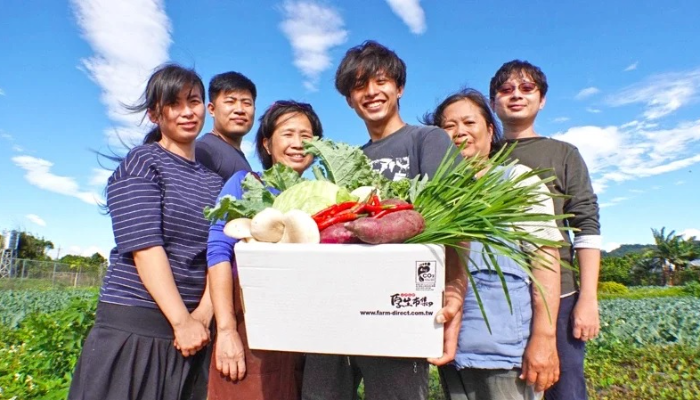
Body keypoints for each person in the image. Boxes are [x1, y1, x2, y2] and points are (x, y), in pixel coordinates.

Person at [301, 40, 468, 400]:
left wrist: (455, 290)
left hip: (398, 309)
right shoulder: (348, 161)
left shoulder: (428, 140)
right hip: (340, 306)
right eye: (359, 86)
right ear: (348, 99)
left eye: (380, 81)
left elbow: (457, 225)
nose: (371, 92)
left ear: (399, 87)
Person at [68, 64, 222, 400]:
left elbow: (220, 252)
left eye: (194, 101)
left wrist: (202, 316)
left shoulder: (216, 183)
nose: (187, 112)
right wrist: (182, 320)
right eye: (174, 104)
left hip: (194, 333)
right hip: (136, 325)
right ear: (154, 114)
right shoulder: (142, 163)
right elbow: (145, 247)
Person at [422, 88, 562, 400]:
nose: (459, 133)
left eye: (469, 123)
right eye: (448, 126)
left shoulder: (518, 181)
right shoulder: (432, 195)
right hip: (451, 351)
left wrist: (544, 336)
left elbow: (546, 260)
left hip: (507, 354)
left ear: (489, 130)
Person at [489, 60, 602, 400]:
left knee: (563, 389)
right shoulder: (483, 158)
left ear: (542, 100)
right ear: (493, 102)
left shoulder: (563, 153)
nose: (516, 96)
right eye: (506, 90)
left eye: (526, 89)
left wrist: (588, 298)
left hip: (561, 296)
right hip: (499, 296)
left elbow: (586, 225)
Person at [206, 100, 324, 400]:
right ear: (267, 144)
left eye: (306, 136)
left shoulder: (324, 195)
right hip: (248, 326)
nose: (298, 144)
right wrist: (227, 331)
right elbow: (218, 253)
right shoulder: (244, 183)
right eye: (288, 134)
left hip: (305, 330)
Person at [196, 71, 257, 181]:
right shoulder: (204, 150)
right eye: (230, 102)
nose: (240, 110)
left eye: (247, 103)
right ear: (211, 109)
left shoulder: (240, 158)